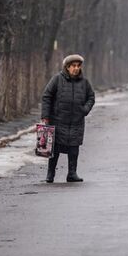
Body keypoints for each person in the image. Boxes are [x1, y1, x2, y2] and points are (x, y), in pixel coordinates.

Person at [41, 54, 95, 183]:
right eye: (73, 66)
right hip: (58, 120)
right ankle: (50, 174)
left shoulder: (84, 82)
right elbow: (47, 96)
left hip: (76, 121)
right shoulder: (57, 79)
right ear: (67, 67)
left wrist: (85, 109)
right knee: (55, 148)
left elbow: (91, 97)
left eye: (78, 66)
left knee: (74, 148)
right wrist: (45, 116)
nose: (76, 68)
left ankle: (72, 173)